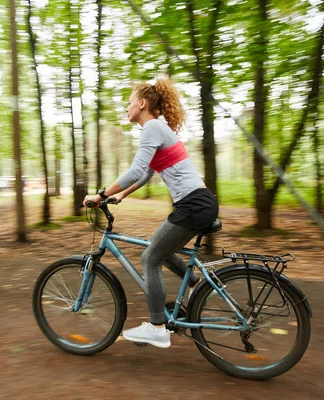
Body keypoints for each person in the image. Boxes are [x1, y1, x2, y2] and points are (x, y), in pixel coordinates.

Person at [83, 78, 219, 349]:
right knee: (161, 249)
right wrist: (120, 194)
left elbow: (134, 171)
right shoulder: (158, 129)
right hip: (197, 204)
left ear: (142, 104)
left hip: (193, 205)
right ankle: (194, 283)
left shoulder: (153, 128)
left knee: (150, 257)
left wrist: (100, 194)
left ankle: (157, 327)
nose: (127, 107)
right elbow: (145, 173)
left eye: (130, 102)